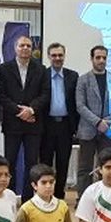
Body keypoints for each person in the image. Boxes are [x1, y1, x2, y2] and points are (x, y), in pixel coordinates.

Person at [0, 35, 49, 203]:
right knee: (9, 162)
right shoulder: (5, 69)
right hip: (12, 123)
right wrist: (20, 111)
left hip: (34, 124)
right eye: (21, 45)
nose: (25, 48)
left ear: (32, 49)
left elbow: (45, 94)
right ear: (15, 48)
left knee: (31, 164)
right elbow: (1, 95)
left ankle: (28, 200)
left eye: (28, 45)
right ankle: (9, 198)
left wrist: (31, 110)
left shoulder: (41, 69)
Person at [75, 45, 111, 200]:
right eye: (98, 57)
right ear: (92, 59)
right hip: (87, 130)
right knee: (85, 168)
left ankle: (105, 198)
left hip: (108, 130)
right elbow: (80, 105)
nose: (101, 60)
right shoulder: (83, 79)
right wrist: (97, 122)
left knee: (107, 166)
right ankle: (83, 199)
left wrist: (108, 121)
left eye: (104, 58)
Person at [39, 42, 79, 199]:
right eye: (54, 55)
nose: (57, 58)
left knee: (63, 163)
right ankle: (45, 196)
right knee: (45, 163)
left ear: (64, 56)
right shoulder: (42, 75)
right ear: (48, 57)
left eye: (60, 55)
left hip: (65, 126)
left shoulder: (73, 76)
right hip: (46, 126)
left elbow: (76, 103)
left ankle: (59, 196)